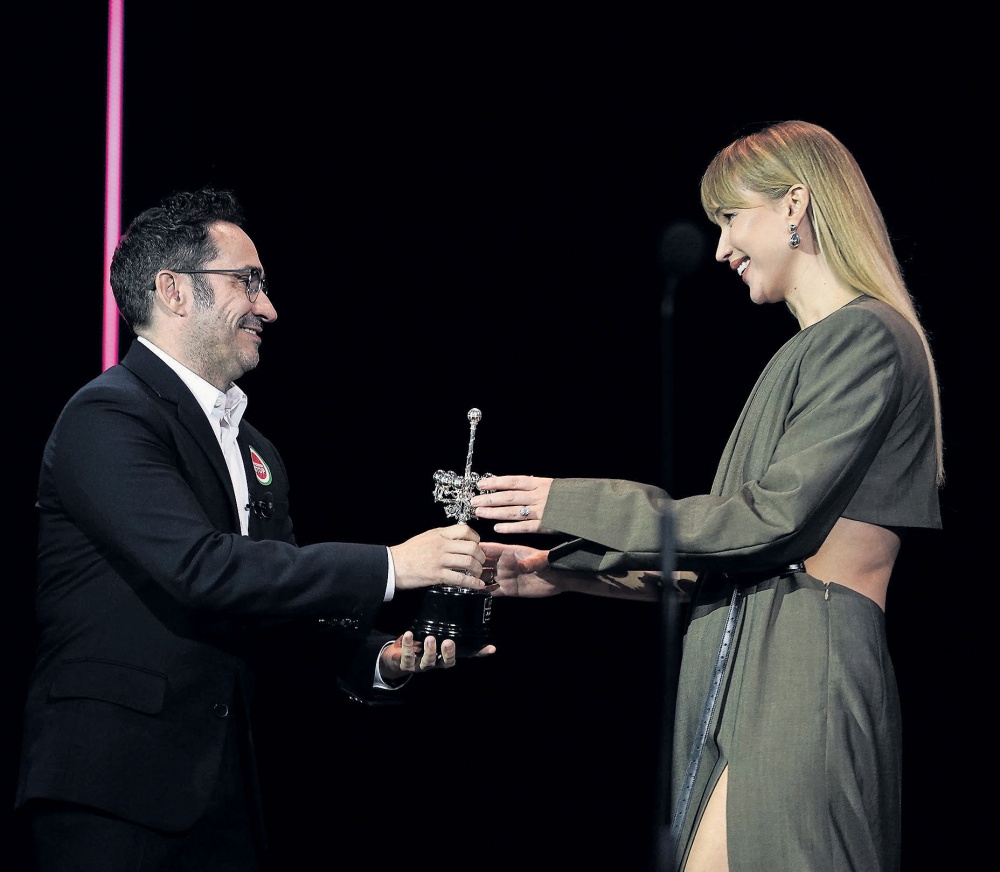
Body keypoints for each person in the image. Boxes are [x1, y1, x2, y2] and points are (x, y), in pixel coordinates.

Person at [470, 120, 943, 872]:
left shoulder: (866, 338)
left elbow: (769, 524)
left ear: (795, 204)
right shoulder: (811, 349)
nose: (722, 248)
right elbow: (728, 556)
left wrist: (568, 501)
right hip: (753, 655)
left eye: (730, 217)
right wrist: (554, 571)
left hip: (803, 662)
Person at [15, 186, 495, 872]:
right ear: (174, 291)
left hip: (226, 797)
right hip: (111, 793)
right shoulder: (107, 416)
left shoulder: (255, 450)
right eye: (248, 281)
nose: (268, 308)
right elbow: (200, 568)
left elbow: (278, 609)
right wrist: (395, 564)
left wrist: (381, 658)